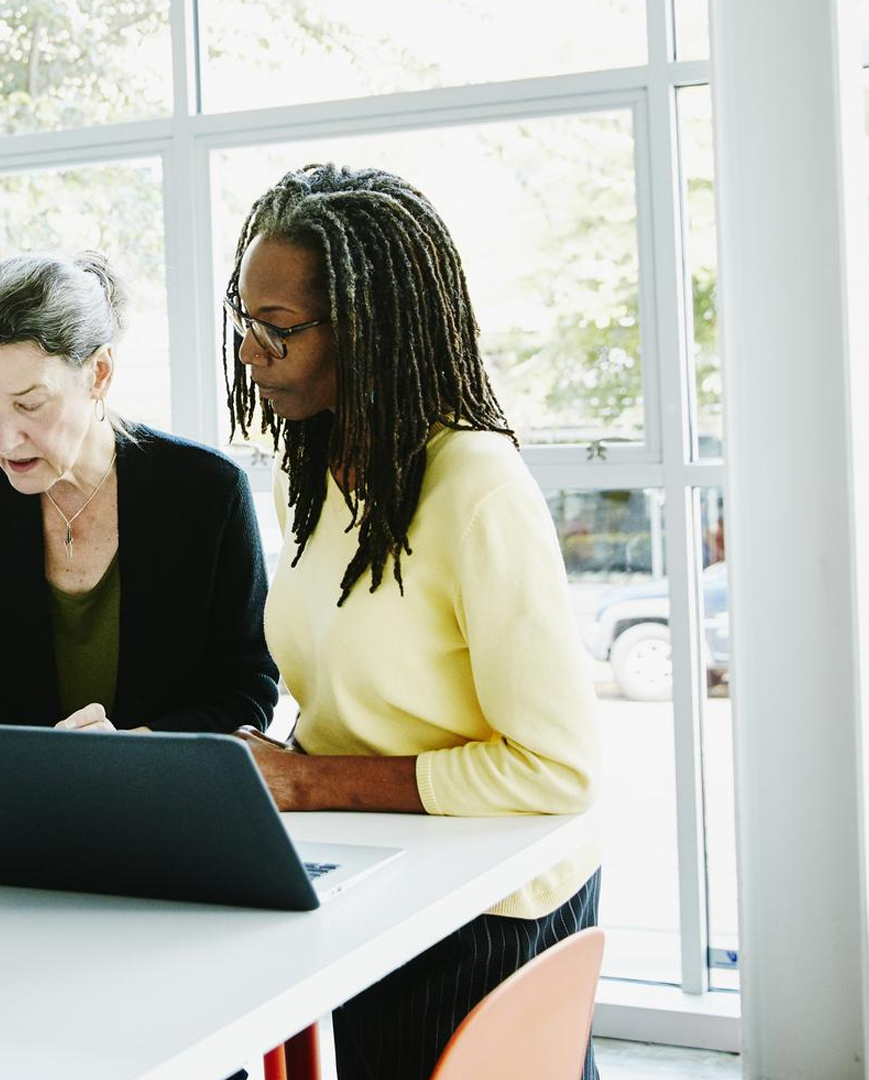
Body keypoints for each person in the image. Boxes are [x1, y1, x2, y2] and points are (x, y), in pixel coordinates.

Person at [221, 163, 601, 1079]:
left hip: (491, 910)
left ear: (367, 331)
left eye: (277, 330)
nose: (248, 354)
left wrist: (315, 786)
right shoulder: (307, 479)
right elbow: (362, 690)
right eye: (244, 323)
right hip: (375, 873)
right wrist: (277, 765)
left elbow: (557, 770)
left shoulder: (477, 486)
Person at [0, 251, 278, 733]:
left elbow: (246, 689)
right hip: (10, 802)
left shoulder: (207, 491)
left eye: (30, 404)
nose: (4, 440)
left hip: (164, 801)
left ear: (99, 373)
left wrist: (138, 752)